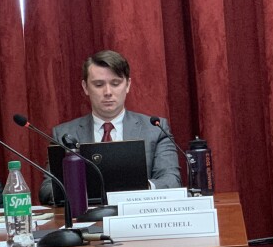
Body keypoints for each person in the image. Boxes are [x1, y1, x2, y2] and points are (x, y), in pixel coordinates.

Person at [39, 49, 181, 203]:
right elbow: (47, 189)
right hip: (85, 219)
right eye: (99, 85)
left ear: (128, 85)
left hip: (137, 216)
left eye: (115, 83)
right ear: (85, 87)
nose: (108, 92)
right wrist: (83, 191)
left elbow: (171, 180)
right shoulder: (63, 134)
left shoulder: (155, 129)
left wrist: (138, 188)